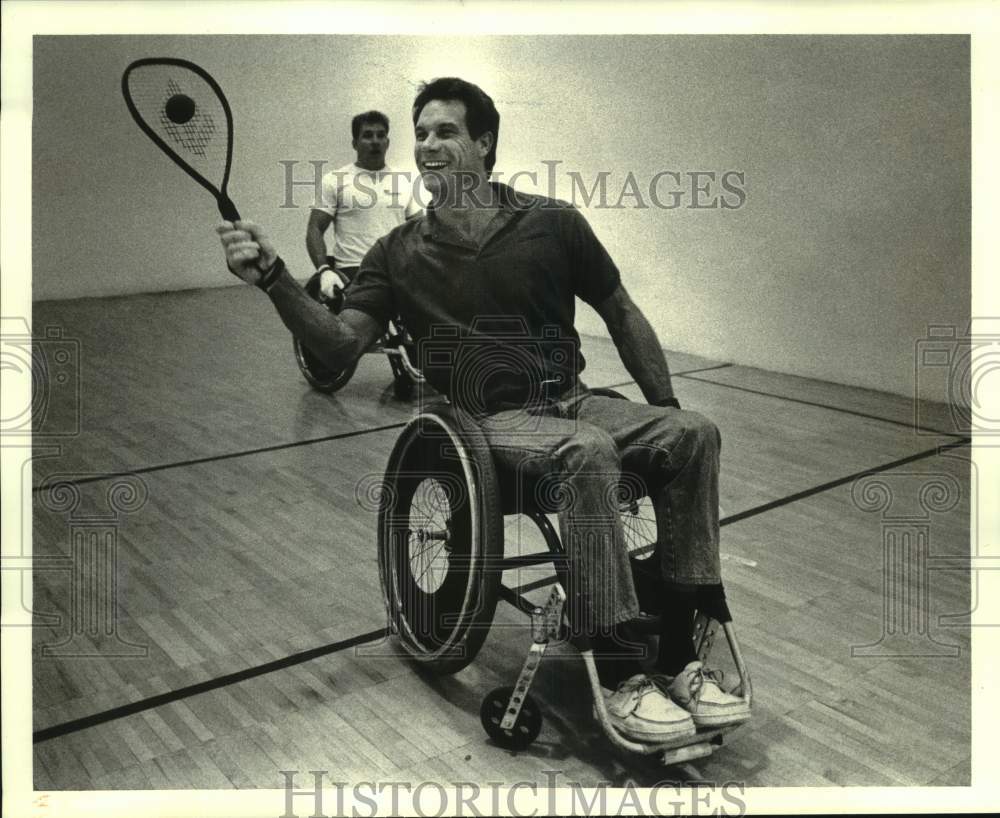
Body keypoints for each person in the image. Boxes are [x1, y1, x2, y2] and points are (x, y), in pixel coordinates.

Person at [218, 78, 749, 744]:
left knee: (695, 434)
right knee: (586, 452)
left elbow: (621, 311)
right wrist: (273, 279)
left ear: (485, 143)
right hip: (488, 424)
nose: (428, 144)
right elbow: (339, 346)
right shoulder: (398, 253)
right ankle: (619, 673)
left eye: (445, 131)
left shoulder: (553, 223)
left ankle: (679, 653)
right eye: (422, 133)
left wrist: (664, 408)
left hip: (574, 400)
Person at [306, 110, 421, 300]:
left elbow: (419, 230)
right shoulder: (335, 180)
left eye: (381, 135)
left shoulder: (405, 181)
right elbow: (314, 229)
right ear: (355, 143)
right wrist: (324, 270)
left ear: (387, 142)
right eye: (367, 135)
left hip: (397, 273)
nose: (375, 141)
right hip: (353, 273)